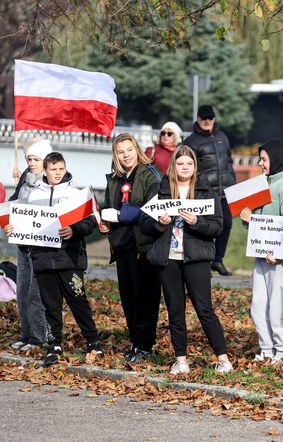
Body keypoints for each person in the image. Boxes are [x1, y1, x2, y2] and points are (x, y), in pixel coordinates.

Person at [138, 145, 233, 375]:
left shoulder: (204, 190)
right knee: (175, 310)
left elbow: (217, 226)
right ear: (174, 166)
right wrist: (159, 222)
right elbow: (144, 221)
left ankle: (223, 358)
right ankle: (181, 360)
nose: (185, 168)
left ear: (195, 167)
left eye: (189, 164)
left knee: (204, 309)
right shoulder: (161, 189)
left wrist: (196, 223)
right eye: (180, 163)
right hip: (168, 258)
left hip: (196, 258)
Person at [5, 152, 102, 367]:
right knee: (50, 306)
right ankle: (54, 345)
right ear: (45, 170)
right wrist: (14, 229)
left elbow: (91, 221)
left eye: (61, 169)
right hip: (42, 260)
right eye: (53, 169)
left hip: (70, 259)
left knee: (78, 302)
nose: (58, 173)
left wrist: (74, 230)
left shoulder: (75, 193)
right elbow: (23, 225)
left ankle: (93, 341)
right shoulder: (33, 195)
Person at [100, 133, 163, 363]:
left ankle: (145, 345)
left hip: (144, 245)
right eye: (120, 152)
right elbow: (110, 208)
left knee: (145, 297)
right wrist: (106, 223)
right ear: (115, 155)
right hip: (122, 245)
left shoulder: (150, 174)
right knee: (128, 298)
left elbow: (154, 209)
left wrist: (123, 214)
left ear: (136, 150)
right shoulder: (115, 178)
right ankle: (135, 342)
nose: (125, 155)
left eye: (129, 150)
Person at [240, 140, 283, 363]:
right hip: (262, 254)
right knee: (259, 305)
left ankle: (282, 350)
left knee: (278, 304)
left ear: (276, 160)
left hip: (280, 259)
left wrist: (282, 254)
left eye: (264, 159)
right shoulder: (263, 186)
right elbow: (259, 224)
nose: (260, 163)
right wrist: (248, 220)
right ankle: (266, 348)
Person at [7, 136, 52, 351]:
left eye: (35, 159)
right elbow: (13, 204)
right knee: (22, 291)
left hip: (41, 247)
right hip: (22, 245)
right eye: (29, 158)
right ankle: (25, 334)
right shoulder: (25, 179)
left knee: (36, 295)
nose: (31, 163)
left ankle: (39, 338)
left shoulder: (51, 181)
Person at [184, 105, 236, 276]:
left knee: (226, 224)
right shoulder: (191, 141)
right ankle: (204, 260)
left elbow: (229, 162)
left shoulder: (223, 137)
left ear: (214, 118)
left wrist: (233, 183)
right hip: (205, 193)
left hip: (225, 191)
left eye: (210, 118)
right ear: (198, 119)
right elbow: (189, 167)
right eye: (204, 118)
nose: (207, 121)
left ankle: (218, 260)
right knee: (205, 227)